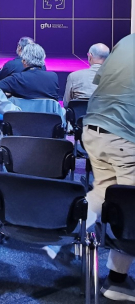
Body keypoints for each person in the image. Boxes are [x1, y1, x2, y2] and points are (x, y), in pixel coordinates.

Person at [80, 33, 135, 301]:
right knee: (129, 208)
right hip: (123, 137)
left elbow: (103, 83)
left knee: (107, 194)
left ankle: (66, 237)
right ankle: (116, 281)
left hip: (94, 129)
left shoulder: (127, 42)